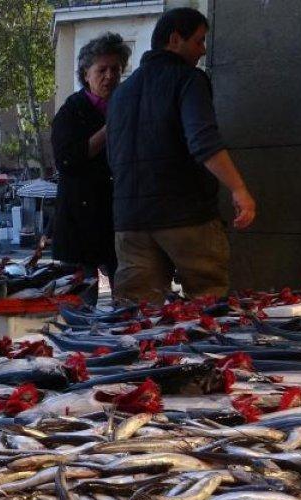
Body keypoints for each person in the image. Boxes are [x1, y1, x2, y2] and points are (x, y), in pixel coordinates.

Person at [106, 7, 256, 305]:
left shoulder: (120, 94)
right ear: (175, 39)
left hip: (131, 221)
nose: (202, 51)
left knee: (137, 315)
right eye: (199, 41)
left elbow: (114, 157)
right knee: (206, 305)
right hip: (187, 216)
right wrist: (239, 189)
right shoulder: (189, 79)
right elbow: (203, 141)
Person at [51, 32, 132, 303]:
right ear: (86, 74)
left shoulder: (127, 105)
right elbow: (67, 160)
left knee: (129, 298)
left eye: (115, 69)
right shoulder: (70, 112)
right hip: (80, 224)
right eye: (102, 70)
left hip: (120, 219)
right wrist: (110, 128)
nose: (110, 76)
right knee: (82, 304)